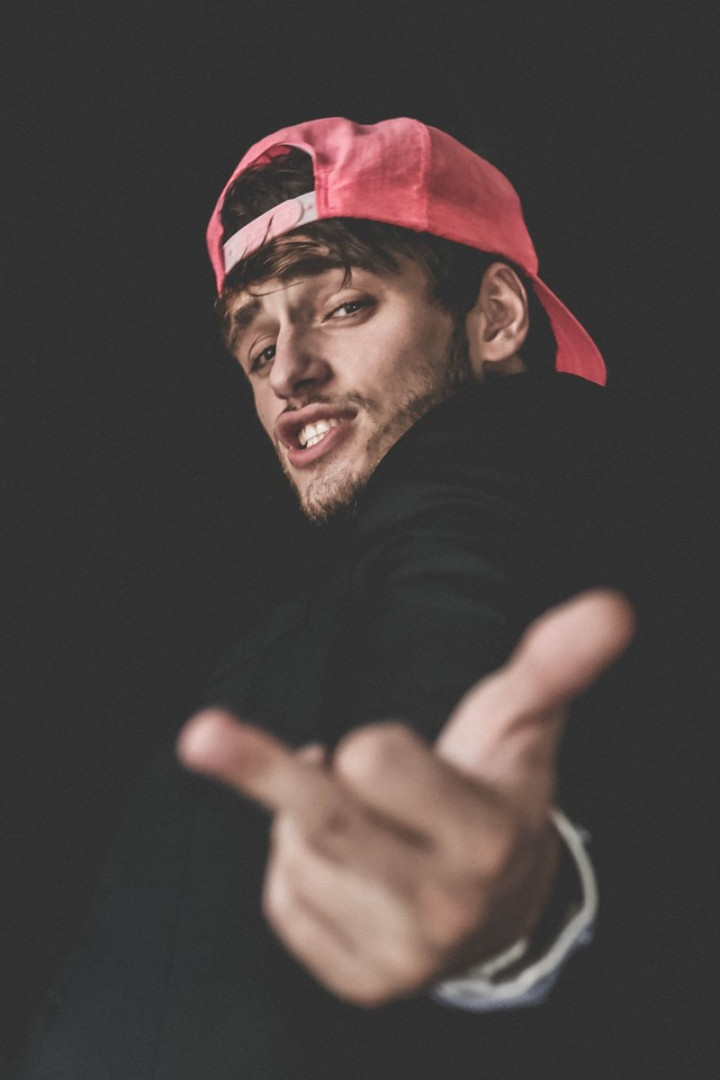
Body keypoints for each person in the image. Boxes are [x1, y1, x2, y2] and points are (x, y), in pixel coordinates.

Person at [20, 118, 634, 1079]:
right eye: (256, 347)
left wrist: (501, 919)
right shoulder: (328, 582)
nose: (289, 372)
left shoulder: (483, 471)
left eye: (345, 306)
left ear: (496, 317)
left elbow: (447, 610)